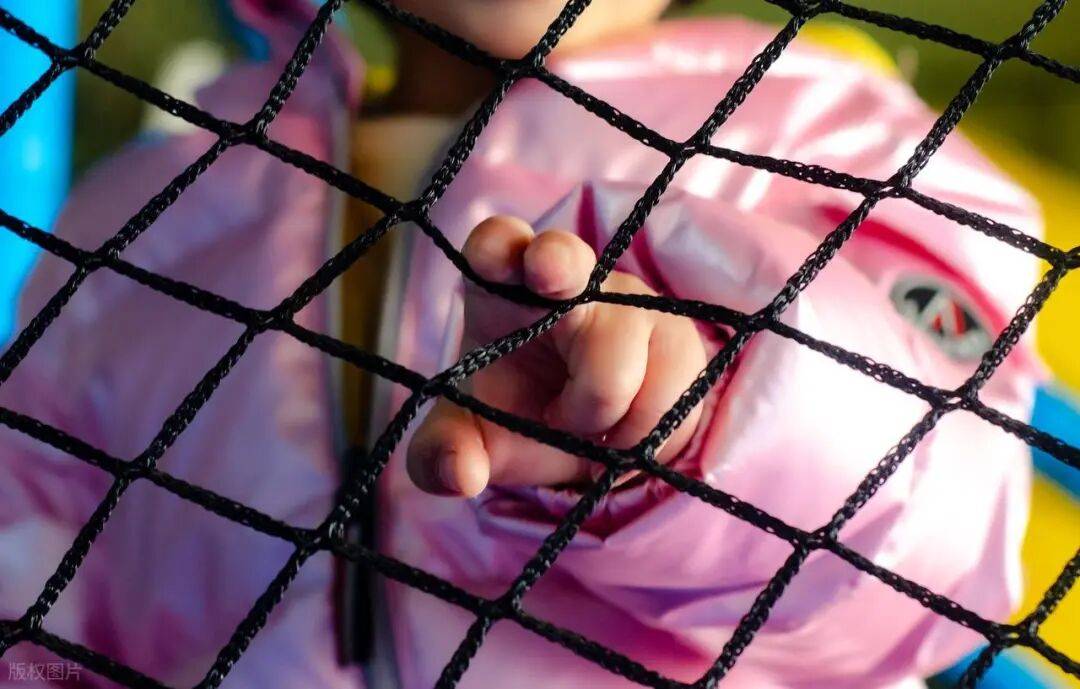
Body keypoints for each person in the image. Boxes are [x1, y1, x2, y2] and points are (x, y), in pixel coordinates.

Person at [0, 1, 1045, 687]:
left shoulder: (824, 129)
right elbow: (31, 547)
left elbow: (946, 520)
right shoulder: (148, 208)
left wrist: (707, 418)